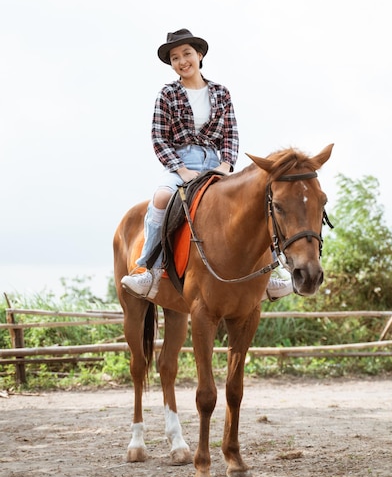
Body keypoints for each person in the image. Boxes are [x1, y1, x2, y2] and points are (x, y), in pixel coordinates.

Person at [121, 28, 292, 301]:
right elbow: (159, 138)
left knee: (256, 199)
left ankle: (270, 273)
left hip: (217, 164)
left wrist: (225, 165)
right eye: (175, 57)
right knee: (162, 197)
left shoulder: (221, 93)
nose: (182, 61)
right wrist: (182, 170)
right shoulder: (167, 95)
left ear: (199, 55)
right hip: (182, 164)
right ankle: (149, 270)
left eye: (187, 53)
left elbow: (231, 134)